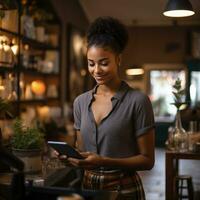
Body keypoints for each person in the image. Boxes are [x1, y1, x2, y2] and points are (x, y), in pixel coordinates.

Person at [66, 17, 155, 200]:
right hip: (88, 189)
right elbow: (82, 151)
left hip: (125, 190)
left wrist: (104, 161)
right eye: (91, 63)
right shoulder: (80, 102)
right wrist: (72, 158)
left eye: (104, 63)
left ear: (119, 59)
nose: (96, 70)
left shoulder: (138, 101)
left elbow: (147, 160)